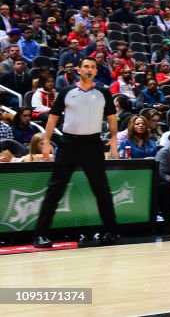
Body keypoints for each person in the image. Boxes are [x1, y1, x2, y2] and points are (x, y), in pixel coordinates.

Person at [32, 57, 120, 248]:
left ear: (96, 71)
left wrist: (113, 141)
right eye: (86, 67)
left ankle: (111, 232)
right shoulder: (67, 91)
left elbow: (112, 119)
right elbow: (52, 119)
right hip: (69, 144)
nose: (89, 70)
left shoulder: (103, 93)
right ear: (79, 70)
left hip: (93, 145)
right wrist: (47, 142)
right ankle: (40, 235)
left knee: (102, 189)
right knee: (56, 189)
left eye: (93, 67)